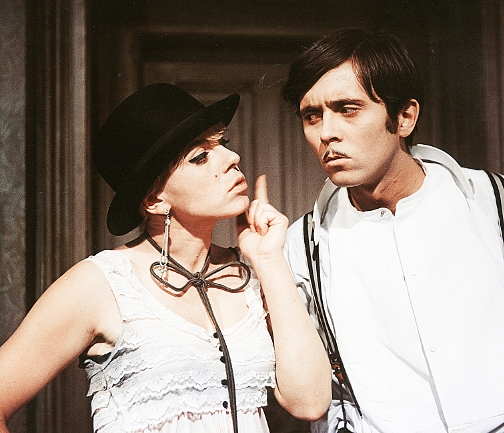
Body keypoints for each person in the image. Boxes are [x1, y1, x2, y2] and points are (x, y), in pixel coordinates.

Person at [281, 27, 504, 433]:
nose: (326, 133)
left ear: (404, 117)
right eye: (312, 116)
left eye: (348, 109)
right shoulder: (304, 244)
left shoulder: (494, 202)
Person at [0, 83, 331, 433]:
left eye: (223, 144)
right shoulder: (102, 284)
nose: (231, 158)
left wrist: (269, 260)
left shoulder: (250, 275)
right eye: (200, 156)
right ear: (155, 200)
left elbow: (310, 402)